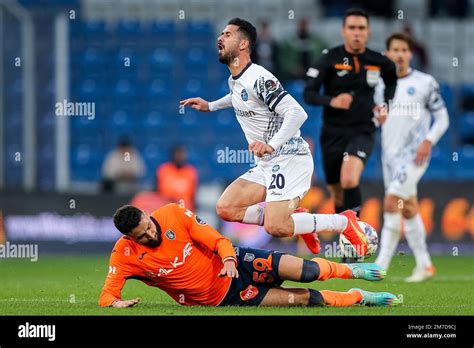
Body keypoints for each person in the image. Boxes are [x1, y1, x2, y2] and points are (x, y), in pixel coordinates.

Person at [180, 18, 369, 257]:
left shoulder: (260, 78)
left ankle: (343, 222)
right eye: (221, 33)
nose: (220, 37)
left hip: (290, 158)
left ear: (243, 44)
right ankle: (298, 219)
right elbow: (238, 96)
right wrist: (211, 105)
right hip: (268, 163)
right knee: (226, 208)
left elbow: (296, 113)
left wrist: (271, 144)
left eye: (227, 34)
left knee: (276, 227)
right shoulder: (236, 79)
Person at [98, 203, 400, 308]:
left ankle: (353, 271)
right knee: (307, 299)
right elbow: (107, 295)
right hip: (225, 297)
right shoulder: (124, 255)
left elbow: (217, 240)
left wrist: (229, 259)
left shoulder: (173, 214)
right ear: (129, 238)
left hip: (238, 260)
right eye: (143, 237)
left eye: (149, 227)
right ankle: (358, 296)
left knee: (308, 271)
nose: (151, 235)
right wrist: (116, 303)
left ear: (149, 216)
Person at [303, 8, 398, 218]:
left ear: (368, 32)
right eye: (352, 28)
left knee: (349, 180)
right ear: (343, 31)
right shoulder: (329, 58)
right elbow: (308, 93)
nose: (357, 33)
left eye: (361, 28)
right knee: (337, 193)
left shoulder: (378, 61)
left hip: (362, 130)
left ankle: (357, 241)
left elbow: (392, 79)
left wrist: (386, 105)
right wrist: (332, 101)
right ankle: (346, 238)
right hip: (333, 133)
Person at [374, 33, 449, 282]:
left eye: (404, 50)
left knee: (391, 201)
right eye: (395, 49)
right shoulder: (381, 84)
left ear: (410, 53)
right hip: (389, 156)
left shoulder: (425, 82)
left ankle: (380, 265)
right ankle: (425, 264)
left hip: (414, 155)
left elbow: (443, 118)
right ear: (387, 54)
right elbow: (378, 118)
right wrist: (378, 117)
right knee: (408, 208)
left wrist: (428, 141)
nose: (400, 54)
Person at [156, 145, 198, 211]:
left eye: (182, 154)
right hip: (165, 208)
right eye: (178, 154)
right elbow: (158, 191)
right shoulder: (163, 170)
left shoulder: (191, 171)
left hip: (185, 209)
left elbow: (193, 196)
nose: (180, 157)